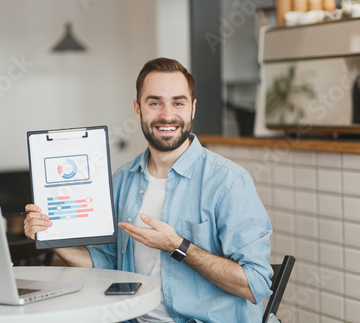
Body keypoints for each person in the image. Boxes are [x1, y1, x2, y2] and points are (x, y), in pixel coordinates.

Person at [24, 57, 273, 323]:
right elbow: (108, 266)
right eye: (155, 103)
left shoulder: (229, 182)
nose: (167, 115)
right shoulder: (122, 179)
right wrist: (50, 237)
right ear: (138, 109)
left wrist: (177, 247)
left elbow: (254, 283)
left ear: (192, 109)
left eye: (178, 102)